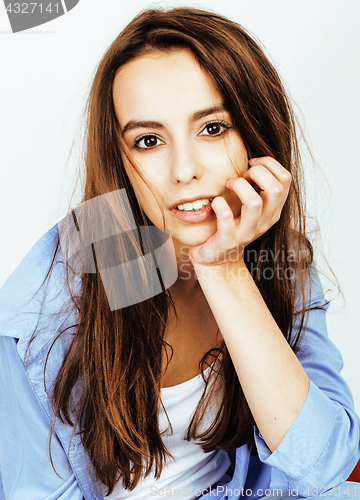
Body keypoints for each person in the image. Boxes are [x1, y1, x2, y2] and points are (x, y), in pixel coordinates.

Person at [0, 7, 359, 500]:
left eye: (212, 128)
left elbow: (325, 466)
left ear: (255, 132)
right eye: (148, 141)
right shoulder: (57, 290)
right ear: (121, 161)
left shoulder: (279, 260)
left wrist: (222, 268)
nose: (183, 170)